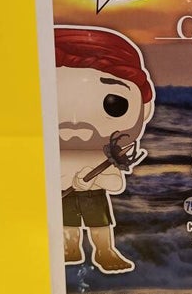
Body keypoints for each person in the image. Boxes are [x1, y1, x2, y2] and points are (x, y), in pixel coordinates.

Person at [55, 25, 155, 272]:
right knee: (67, 224)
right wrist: (62, 182)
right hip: (64, 194)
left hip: (94, 195)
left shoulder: (106, 155)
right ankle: (69, 249)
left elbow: (116, 184)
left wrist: (92, 181)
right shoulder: (54, 155)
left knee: (100, 224)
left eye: (115, 104)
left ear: (146, 109)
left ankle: (104, 251)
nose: (76, 123)